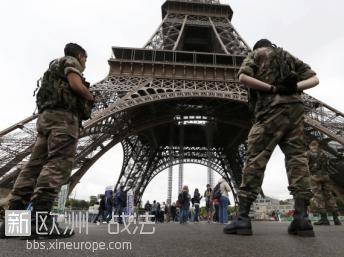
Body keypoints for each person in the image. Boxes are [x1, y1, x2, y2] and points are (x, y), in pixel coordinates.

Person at [223, 39, 319, 237]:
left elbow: (242, 78)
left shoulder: (257, 54)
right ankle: (302, 218)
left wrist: (273, 89)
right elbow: (314, 79)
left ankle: (242, 218)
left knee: (255, 159)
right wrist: (293, 88)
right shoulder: (287, 55)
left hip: (270, 111)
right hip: (295, 111)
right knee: (298, 159)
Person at [0, 43, 94, 239]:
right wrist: (89, 95)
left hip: (46, 119)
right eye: (85, 59)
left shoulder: (53, 67)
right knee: (57, 166)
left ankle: (14, 225)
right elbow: (76, 85)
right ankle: (39, 222)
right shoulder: (71, 61)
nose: (84, 63)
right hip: (63, 120)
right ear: (79, 55)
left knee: (32, 168)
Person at [308, 140, 342, 225]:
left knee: (318, 196)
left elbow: (305, 165)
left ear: (310, 146)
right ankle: (336, 219)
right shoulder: (323, 153)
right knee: (329, 196)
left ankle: (324, 219)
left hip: (315, 177)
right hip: (326, 176)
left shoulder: (308, 153)